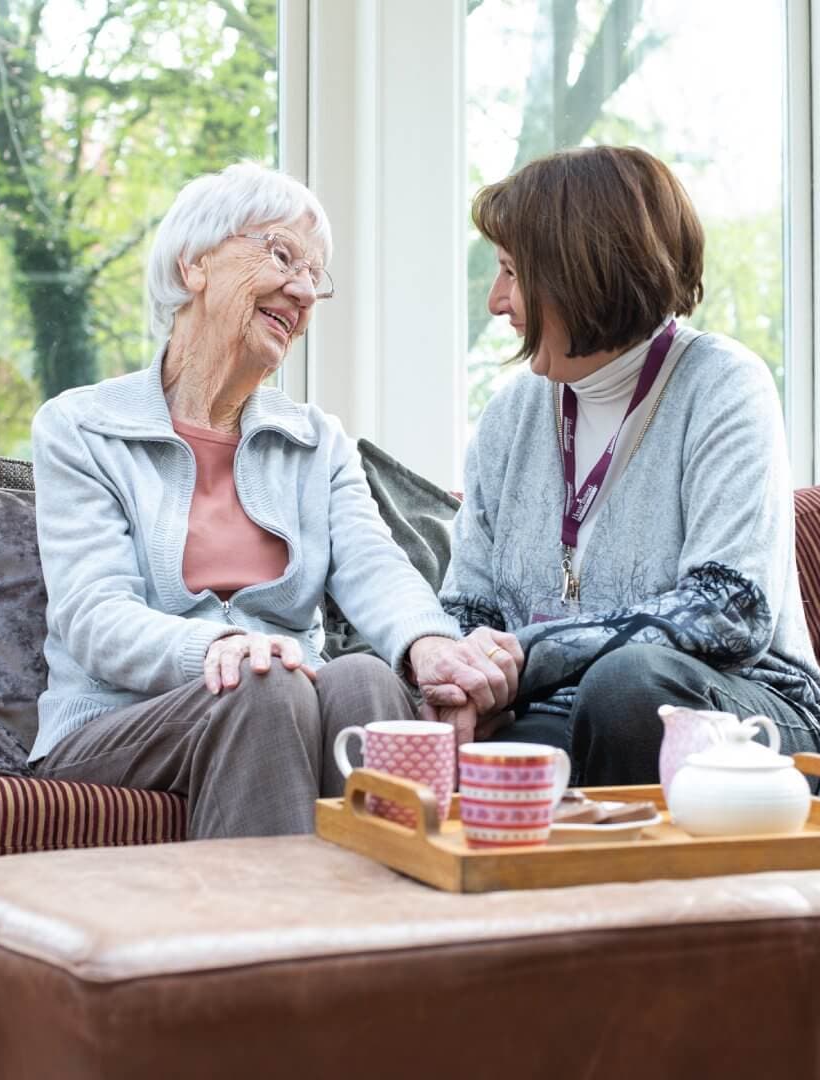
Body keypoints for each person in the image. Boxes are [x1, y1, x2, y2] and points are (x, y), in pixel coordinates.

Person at [28, 162, 519, 837]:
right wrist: (220, 648)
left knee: (366, 682)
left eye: (316, 278)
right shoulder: (82, 428)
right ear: (194, 265)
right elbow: (94, 614)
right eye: (283, 255)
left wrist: (431, 647)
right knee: (262, 682)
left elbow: (375, 566)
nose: (303, 291)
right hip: (119, 722)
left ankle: (383, 935)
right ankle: (270, 937)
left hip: (282, 697)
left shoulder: (318, 443)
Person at [439, 145, 820, 789]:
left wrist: (528, 655)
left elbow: (727, 611)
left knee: (630, 688)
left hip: (743, 715)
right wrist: (465, 679)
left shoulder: (722, 383)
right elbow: (466, 607)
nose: (496, 300)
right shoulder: (511, 413)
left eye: (513, 272)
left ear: (582, 272)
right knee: (447, 729)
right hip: (554, 711)